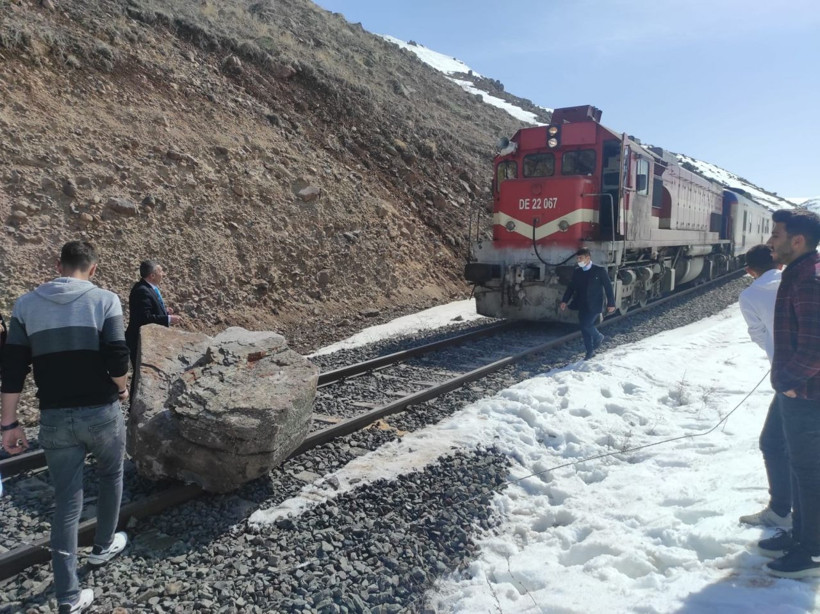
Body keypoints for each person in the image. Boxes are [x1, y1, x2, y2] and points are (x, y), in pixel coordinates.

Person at [0, 241, 130, 613]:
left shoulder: (25, 306)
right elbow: (117, 355)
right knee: (110, 475)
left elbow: (12, 369)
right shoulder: (105, 299)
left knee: (67, 504)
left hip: (55, 417)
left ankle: (68, 597)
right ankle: (103, 547)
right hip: (101, 411)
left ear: (58, 265)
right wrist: (120, 390)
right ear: (93, 268)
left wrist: (8, 423)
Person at [758, 209, 820, 579]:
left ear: (797, 242)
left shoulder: (808, 281)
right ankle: (801, 532)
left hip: (806, 395)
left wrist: (789, 381)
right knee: (787, 457)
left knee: (808, 471)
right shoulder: (797, 274)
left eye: (776, 235)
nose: (769, 241)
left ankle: (812, 551)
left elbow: (815, 348)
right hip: (796, 390)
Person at [736, 245, 790, 528]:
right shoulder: (797, 280)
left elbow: (758, 334)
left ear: (749, 271)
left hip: (790, 377)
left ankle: (782, 511)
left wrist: (773, 350)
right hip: (803, 370)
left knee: (773, 442)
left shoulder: (749, 295)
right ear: (779, 264)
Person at [560, 248, 616, 360]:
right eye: (577, 258)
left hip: (595, 304)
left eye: (580, 258)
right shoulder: (577, 272)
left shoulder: (599, 270)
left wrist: (611, 303)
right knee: (584, 328)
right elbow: (571, 288)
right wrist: (564, 301)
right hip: (582, 304)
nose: (578, 260)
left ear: (588, 258)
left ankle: (598, 336)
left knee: (586, 324)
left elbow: (608, 287)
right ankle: (589, 352)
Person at [125, 260, 181, 369]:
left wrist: (164, 311)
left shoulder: (148, 288)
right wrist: (168, 319)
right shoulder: (142, 290)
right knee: (140, 375)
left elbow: (148, 310)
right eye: (161, 271)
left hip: (148, 340)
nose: (163, 274)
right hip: (140, 342)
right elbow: (145, 318)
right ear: (152, 276)